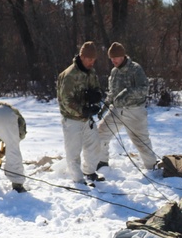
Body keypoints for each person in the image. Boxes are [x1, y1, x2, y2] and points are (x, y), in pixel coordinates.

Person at [97, 42, 159, 170]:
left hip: (134, 111)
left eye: (115, 57)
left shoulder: (135, 69)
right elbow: (112, 93)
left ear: (122, 56)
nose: (113, 61)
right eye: (111, 58)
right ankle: (102, 162)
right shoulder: (114, 72)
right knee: (101, 132)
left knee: (141, 142)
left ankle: (152, 167)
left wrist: (127, 92)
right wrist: (104, 107)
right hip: (116, 110)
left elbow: (144, 89)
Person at [57, 41, 105, 185]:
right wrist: (83, 110)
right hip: (72, 119)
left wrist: (96, 97)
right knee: (73, 152)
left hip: (87, 118)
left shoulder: (91, 72)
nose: (92, 62)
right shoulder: (69, 75)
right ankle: (78, 180)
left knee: (94, 145)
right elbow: (66, 100)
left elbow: (96, 88)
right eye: (89, 59)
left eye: (94, 59)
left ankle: (89, 172)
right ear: (82, 57)